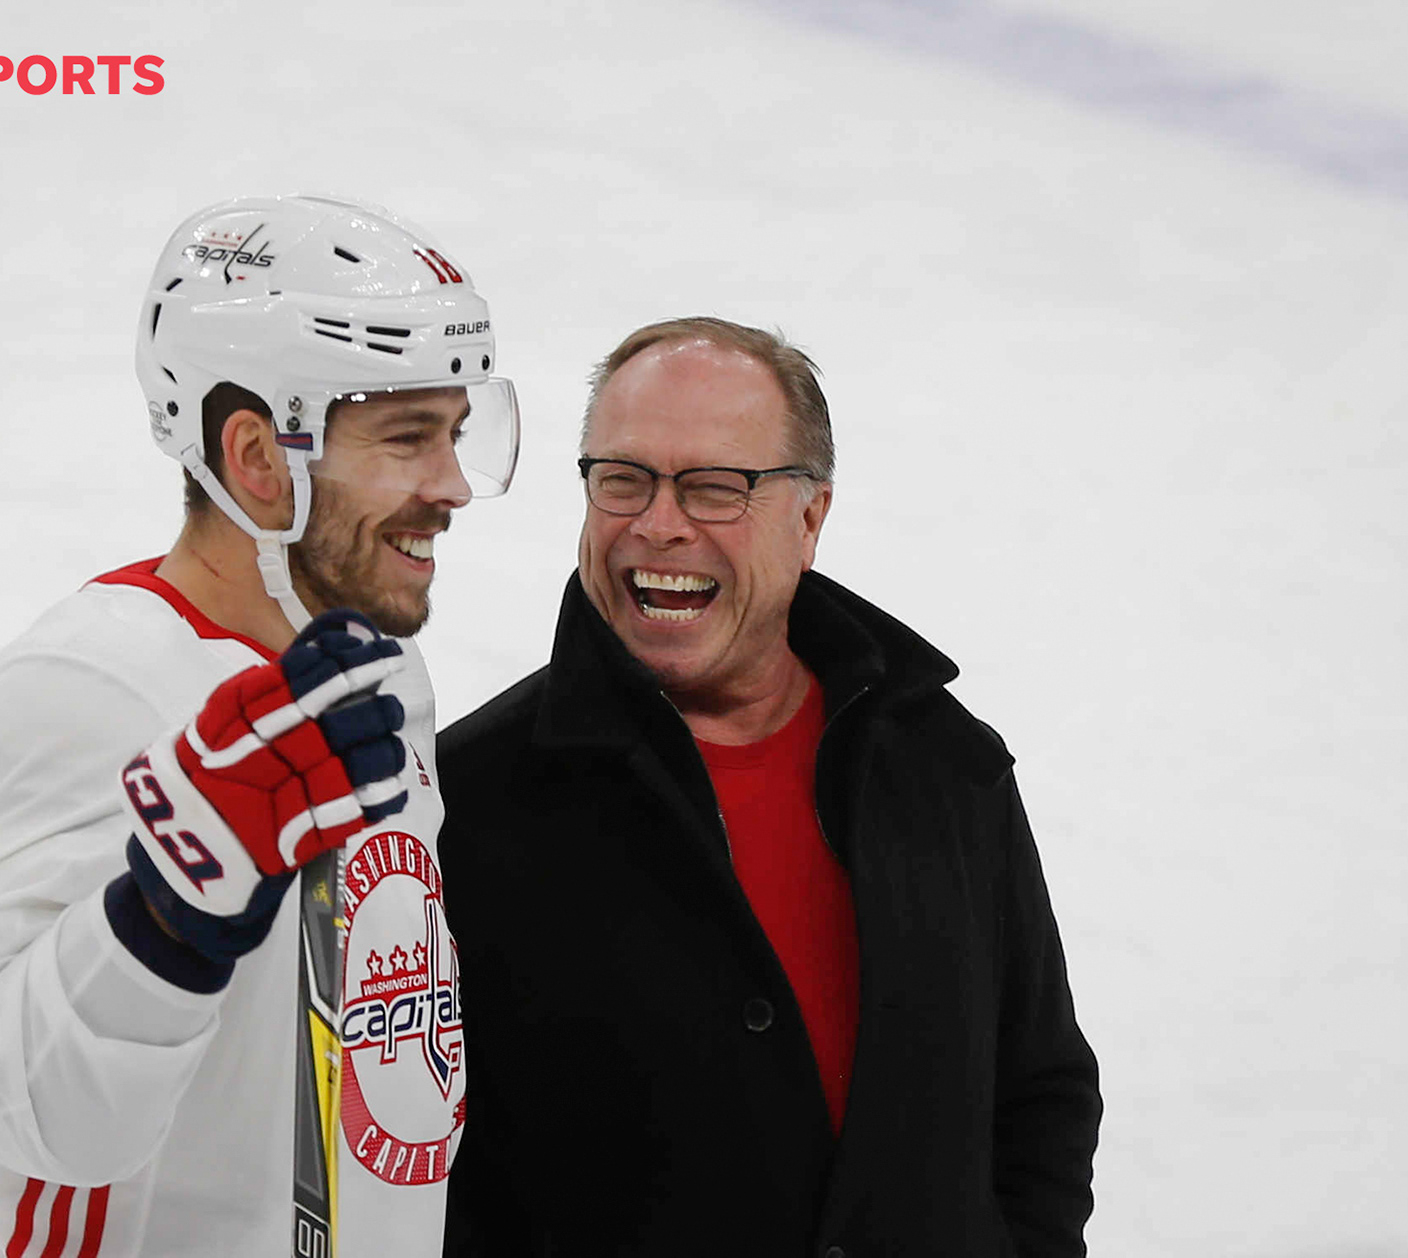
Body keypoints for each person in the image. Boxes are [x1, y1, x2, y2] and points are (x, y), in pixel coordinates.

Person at [0, 195, 518, 1258]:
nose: (454, 487)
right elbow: (11, 1101)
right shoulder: (89, 687)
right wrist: (169, 918)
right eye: (407, 439)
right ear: (254, 456)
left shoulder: (377, 667)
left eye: (459, 435)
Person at [437, 316, 1101, 1257]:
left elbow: (1039, 1091)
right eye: (623, 479)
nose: (659, 524)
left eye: (716, 488)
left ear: (811, 517)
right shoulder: (464, 808)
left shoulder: (946, 766)